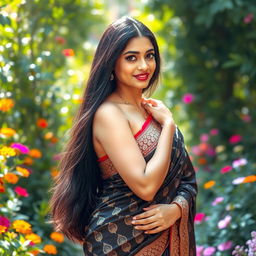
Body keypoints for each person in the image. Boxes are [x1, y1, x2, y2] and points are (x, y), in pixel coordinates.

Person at [49, 16, 197, 255]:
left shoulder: (151, 111)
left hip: (162, 233)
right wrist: (169, 125)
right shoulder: (109, 114)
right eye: (131, 58)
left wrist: (177, 209)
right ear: (111, 63)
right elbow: (146, 186)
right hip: (118, 241)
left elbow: (186, 179)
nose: (144, 66)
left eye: (149, 55)